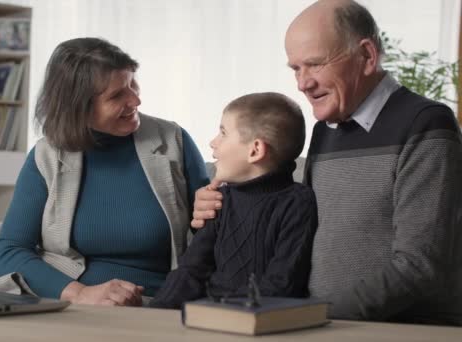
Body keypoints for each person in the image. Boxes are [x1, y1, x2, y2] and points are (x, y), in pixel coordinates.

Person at [192, 0, 462, 324]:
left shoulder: (426, 123)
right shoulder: (325, 128)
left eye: (315, 64)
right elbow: (289, 220)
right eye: (295, 68)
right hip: (319, 324)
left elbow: (420, 266)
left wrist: (315, 318)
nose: (302, 83)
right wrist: (217, 208)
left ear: (366, 56)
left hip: (390, 329)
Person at [0, 37, 209, 306]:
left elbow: (212, 236)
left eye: (133, 84)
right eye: (117, 95)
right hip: (68, 304)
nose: (136, 100)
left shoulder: (173, 141)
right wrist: (80, 293)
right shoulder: (46, 156)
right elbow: (11, 250)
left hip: (154, 304)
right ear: (78, 107)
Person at [149, 92, 318, 309]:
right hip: (208, 313)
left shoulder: (297, 203)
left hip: (257, 317)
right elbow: (191, 270)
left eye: (223, 133)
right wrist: (156, 312)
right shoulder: (222, 199)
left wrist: (226, 311)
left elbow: (283, 283)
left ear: (255, 150)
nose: (213, 143)